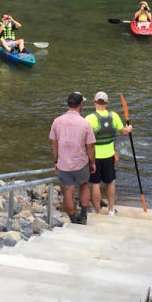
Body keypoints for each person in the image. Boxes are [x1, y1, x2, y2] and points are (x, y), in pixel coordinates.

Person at [50, 91, 96, 225]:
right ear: (80, 104)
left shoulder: (57, 121)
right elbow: (90, 147)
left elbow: (54, 144)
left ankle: (73, 219)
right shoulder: (85, 123)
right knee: (84, 185)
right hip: (81, 163)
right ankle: (83, 215)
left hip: (63, 163)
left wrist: (56, 160)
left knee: (68, 190)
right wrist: (92, 162)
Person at [86, 91, 133, 215]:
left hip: (95, 156)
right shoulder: (114, 116)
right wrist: (129, 129)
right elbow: (123, 132)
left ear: (94, 102)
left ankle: (97, 211)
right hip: (109, 155)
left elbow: (84, 137)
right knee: (110, 181)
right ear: (107, 103)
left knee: (95, 183)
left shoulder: (90, 118)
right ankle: (111, 210)